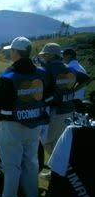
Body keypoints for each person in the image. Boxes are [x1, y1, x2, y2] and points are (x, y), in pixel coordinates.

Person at [0, 37, 50, 197]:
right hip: (34, 126)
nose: (9, 53)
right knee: (30, 164)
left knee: (12, 166)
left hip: (11, 126)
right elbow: (48, 96)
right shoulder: (41, 73)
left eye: (10, 51)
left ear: (16, 52)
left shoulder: (9, 75)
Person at [38, 43, 91, 176]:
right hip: (69, 110)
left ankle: (66, 172)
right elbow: (86, 78)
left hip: (57, 111)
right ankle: (59, 173)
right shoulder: (68, 67)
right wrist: (72, 91)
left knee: (47, 142)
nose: (43, 57)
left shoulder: (49, 68)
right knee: (58, 143)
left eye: (45, 55)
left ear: (50, 55)